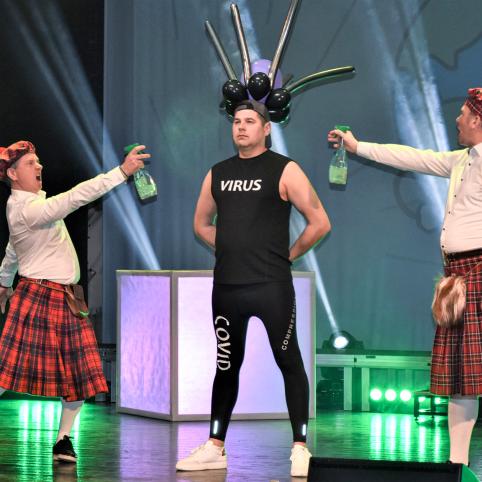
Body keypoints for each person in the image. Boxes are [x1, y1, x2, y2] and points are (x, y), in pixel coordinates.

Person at [327, 87, 482, 466]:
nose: (457, 119)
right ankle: (457, 466)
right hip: (458, 278)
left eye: (463, 114)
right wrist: (358, 147)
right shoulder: (461, 160)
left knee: (469, 373)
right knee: (462, 377)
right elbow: (413, 157)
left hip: (478, 271)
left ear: (478, 120)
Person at [176, 100, 331, 477]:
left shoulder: (285, 169)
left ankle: (300, 446)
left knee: (288, 360)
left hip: (271, 286)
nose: (241, 127)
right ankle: (215, 446)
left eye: (249, 121)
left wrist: (288, 255)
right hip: (228, 287)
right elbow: (201, 224)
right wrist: (232, 246)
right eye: (236, 121)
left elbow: (319, 222)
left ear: (266, 129)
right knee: (226, 365)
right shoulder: (218, 173)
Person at [0, 140, 150, 463]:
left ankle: (63, 440)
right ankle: (62, 439)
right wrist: (122, 172)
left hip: (65, 298)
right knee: (5, 371)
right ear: (12, 173)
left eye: (38, 161)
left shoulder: (28, 206)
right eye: (30, 163)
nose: (39, 166)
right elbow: (76, 196)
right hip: (38, 296)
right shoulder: (28, 209)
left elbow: (13, 249)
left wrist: (3, 281)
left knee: (79, 374)